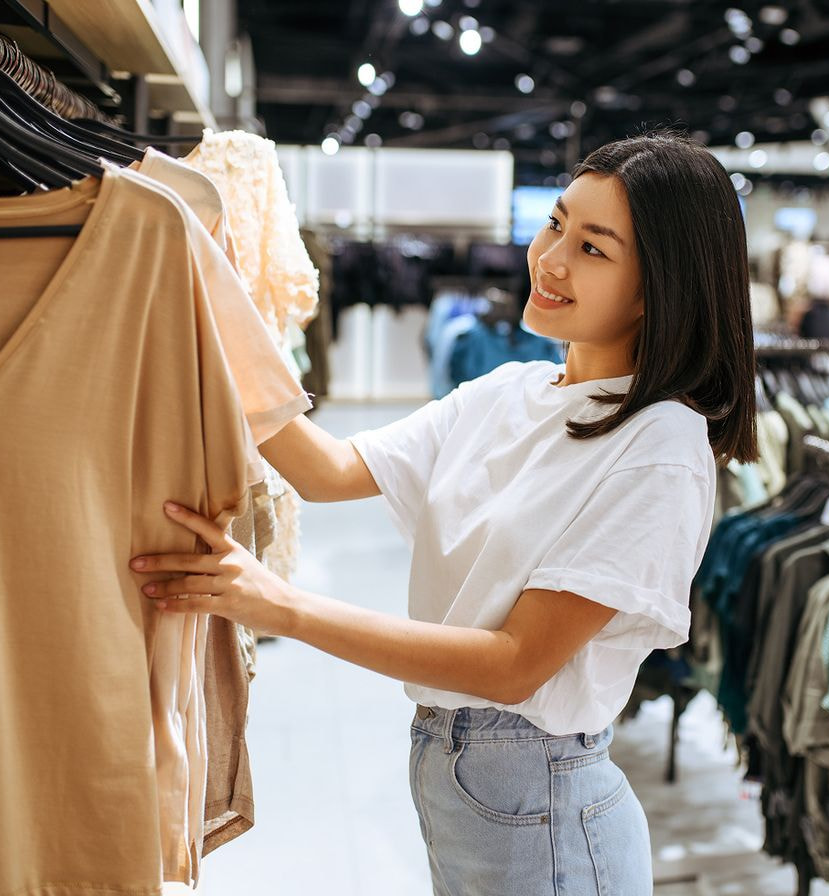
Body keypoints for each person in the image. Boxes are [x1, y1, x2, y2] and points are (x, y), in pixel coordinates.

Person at [131, 132, 758, 895]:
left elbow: (514, 663)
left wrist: (282, 606)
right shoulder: (511, 391)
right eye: (555, 223)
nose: (550, 260)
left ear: (662, 282)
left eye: (594, 249)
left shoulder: (661, 443)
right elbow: (323, 470)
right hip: (467, 778)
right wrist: (204, 296)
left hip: (544, 801)